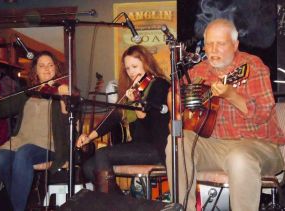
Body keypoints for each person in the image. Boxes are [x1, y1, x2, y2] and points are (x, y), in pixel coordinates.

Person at [165, 18, 285, 211]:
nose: (213, 49)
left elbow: (262, 114)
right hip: (214, 146)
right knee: (176, 141)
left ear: (235, 44)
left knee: (239, 157)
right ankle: (182, 208)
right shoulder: (199, 71)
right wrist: (174, 108)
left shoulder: (252, 66)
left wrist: (232, 95)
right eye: (209, 44)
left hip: (259, 145)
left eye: (220, 43)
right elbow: (176, 99)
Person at [76, 45, 170, 194]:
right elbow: (114, 117)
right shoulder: (135, 88)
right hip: (138, 145)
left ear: (146, 63)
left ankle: (114, 205)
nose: (131, 72)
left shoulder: (160, 85)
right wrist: (89, 136)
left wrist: (137, 102)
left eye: (135, 66)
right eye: (128, 68)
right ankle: (121, 202)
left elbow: (150, 123)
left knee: (102, 154)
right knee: (88, 167)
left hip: (156, 147)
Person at [0, 51, 70, 211]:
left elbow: (68, 122)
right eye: (41, 66)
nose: (46, 69)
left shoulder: (61, 91)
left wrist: (65, 97)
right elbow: (2, 110)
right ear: (35, 71)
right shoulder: (28, 92)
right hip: (21, 142)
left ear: (56, 68)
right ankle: (13, 203)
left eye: (50, 65)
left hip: (49, 145)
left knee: (24, 154)